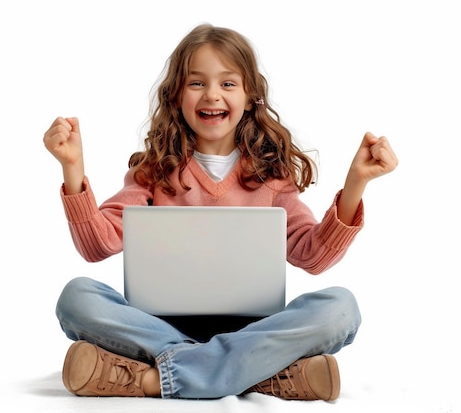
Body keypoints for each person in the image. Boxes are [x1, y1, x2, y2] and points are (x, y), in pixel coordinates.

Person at [43, 24, 398, 401]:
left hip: (252, 328)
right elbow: (98, 246)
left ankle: (151, 379)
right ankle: (255, 373)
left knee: (341, 309)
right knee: (76, 297)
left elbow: (313, 257)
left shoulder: (272, 179)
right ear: (176, 95)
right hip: (158, 325)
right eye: (197, 83)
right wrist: (73, 169)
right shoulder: (153, 172)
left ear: (250, 97)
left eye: (228, 83)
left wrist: (357, 183)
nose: (212, 95)